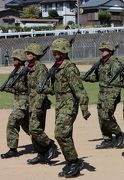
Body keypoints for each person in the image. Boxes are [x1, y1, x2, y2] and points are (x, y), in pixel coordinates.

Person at [48, 38, 91, 178]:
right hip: (60, 105)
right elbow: (53, 87)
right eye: (54, 51)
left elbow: (80, 90)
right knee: (65, 135)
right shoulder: (56, 67)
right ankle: (71, 161)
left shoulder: (69, 68)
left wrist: (84, 109)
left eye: (58, 51)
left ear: (64, 51)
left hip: (69, 105)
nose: (55, 53)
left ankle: (74, 162)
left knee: (60, 133)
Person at [83, 41, 124, 149]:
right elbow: (97, 78)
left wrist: (114, 95)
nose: (102, 51)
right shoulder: (101, 63)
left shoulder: (114, 63)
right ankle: (107, 139)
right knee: (101, 117)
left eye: (105, 50)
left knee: (106, 116)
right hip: (102, 93)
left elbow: (118, 81)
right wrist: (83, 77)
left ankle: (119, 134)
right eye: (102, 50)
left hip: (111, 93)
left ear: (110, 51)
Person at [25, 43, 57, 165]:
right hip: (31, 102)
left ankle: (50, 145)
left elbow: (43, 89)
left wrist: (37, 105)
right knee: (33, 130)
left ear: (36, 55)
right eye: (27, 53)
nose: (28, 54)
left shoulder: (40, 68)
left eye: (30, 53)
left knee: (35, 129)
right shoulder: (29, 68)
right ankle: (41, 154)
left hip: (38, 103)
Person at [1, 49, 29, 159]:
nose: (13, 60)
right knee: (29, 127)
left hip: (24, 102)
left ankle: (13, 149)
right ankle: (45, 143)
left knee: (12, 122)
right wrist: (5, 88)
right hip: (18, 102)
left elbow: (29, 88)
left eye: (15, 58)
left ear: (21, 60)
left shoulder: (25, 71)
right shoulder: (15, 71)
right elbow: (13, 87)